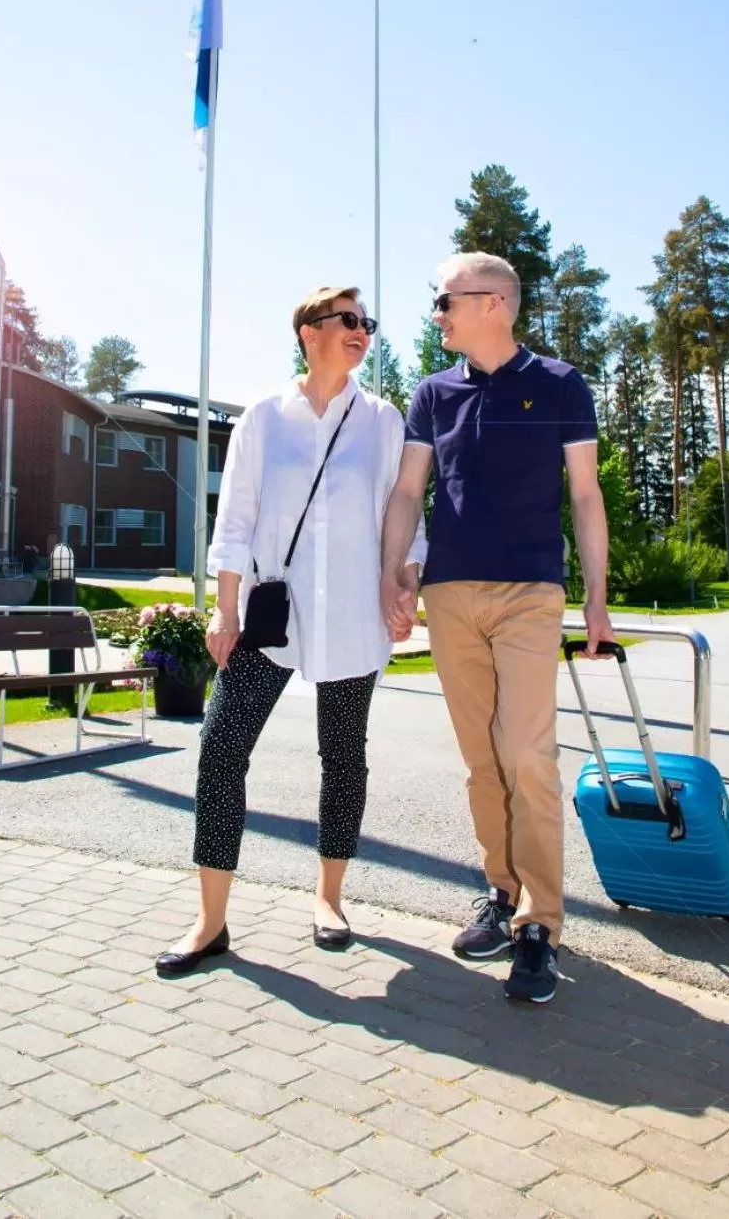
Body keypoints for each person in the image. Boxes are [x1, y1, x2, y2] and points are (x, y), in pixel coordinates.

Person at [156, 286, 424, 977]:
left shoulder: (382, 419)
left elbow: (406, 511)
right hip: (273, 619)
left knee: (343, 756)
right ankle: (210, 921)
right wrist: (224, 606)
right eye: (349, 321)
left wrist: (405, 582)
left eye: (368, 323)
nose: (363, 332)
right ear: (309, 332)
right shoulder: (264, 419)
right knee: (220, 751)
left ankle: (330, 898)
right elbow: (235, 518)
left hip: (354, 619)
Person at [381, 251, 615, 1006]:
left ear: (495, 304)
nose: (438, 314)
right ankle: (500, 889)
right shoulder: (432, 393)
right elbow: (409, 489)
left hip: (529, 595)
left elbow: (585, 494)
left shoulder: (559, 384)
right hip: (450, 595)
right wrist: (395, 570)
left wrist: (598, 598)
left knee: (528, 756)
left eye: (446, 300)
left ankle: (541, 924)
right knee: (483, 761)